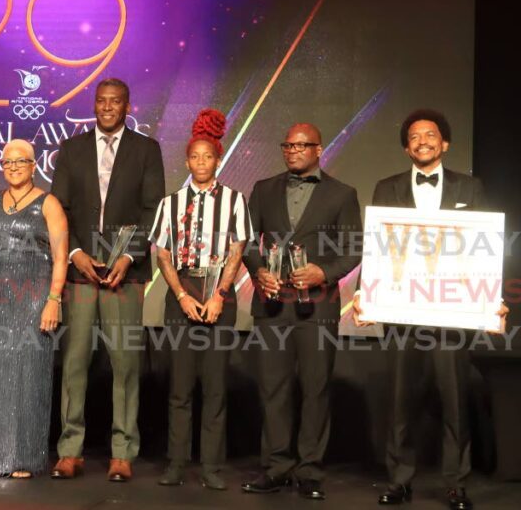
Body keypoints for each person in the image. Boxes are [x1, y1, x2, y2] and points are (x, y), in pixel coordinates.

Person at [351, 110, 507, 510]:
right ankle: (399, 481)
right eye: (415, 136)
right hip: (403, 316)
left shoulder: (470, 188)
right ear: (406, 147)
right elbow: (377, 247)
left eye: (430, 134)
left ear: (445, 144)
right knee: (400, 403)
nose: (422, 140)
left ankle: (456, 484)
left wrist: (492, 302)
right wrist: (364, 294)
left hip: (452, 315)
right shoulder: (387, 188)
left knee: (455, 403)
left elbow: (486, 249)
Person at [50, 78, 165, 482]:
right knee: (75, 362)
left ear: (127, 106)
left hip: (125, 274)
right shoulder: (73, 148)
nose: (107, 107)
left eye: (115, 102)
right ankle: (70, 449)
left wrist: (130, 256)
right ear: (94, 105)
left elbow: (153, 210)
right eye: (101, 101)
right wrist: (77, 253)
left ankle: (122, 451)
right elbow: (59, 207)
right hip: (80, 273)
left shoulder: (146, 150)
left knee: (125, 362)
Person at [240, 123, 362, 500]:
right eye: (287, 145)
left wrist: (323, 272)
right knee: (273, 389)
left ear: (318, 149)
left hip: (319, 307)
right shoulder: (263, 189)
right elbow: (246, 240)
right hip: (273, 304)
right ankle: (276, 466)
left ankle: (310, 470)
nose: (292, 150)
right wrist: (259, 270)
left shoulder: (342, 194)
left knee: (315, 389)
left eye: (300, 145)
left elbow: (353, 248)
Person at [149, 109, 251, 490]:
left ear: (217, 159)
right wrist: (181, 296)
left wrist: (221, 295)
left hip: (219, 298)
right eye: (196, 156)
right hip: (182, 296)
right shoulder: (170, 203)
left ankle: (211, 466)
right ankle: (176, 463)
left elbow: (237, 250)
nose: (202, 162)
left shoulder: (235, 201)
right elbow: (162, 253)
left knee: (215, 387)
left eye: (209, 156)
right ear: (188, 160)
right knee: (180, 387)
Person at [0, 139, 68, 478]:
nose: (13, 167)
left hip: (33, 297)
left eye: (21, 161)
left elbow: (60, 258)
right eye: (7, 162)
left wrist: (53, 300)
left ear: (34, 165)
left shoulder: (49, 204)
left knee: (29, 376)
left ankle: (25, 458)